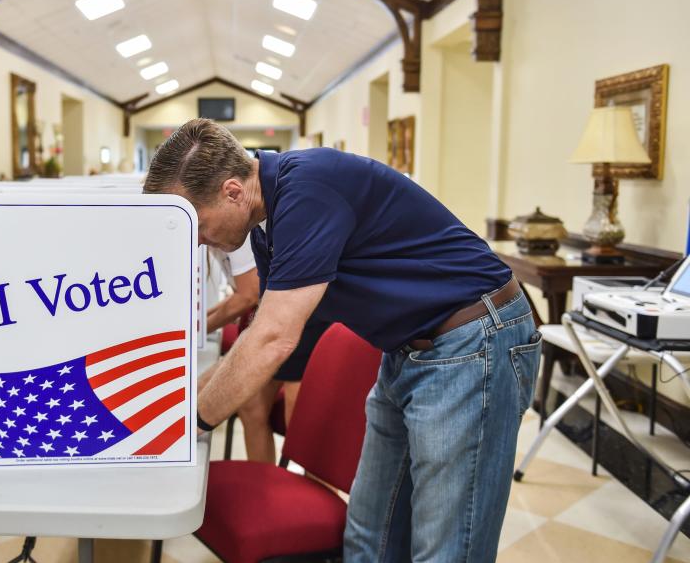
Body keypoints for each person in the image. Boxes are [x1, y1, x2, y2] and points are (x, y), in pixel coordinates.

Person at [144, 119, 541, 562]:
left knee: (446, 548)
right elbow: (259, 334)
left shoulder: (309, 187)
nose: (198, 241)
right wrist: (176, 407)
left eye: (196, 224)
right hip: (407, 350)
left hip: (472, 341)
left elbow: (274, 338)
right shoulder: (266, 224)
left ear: (233, 191)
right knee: (371, 533)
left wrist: (190, 426)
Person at [204, 229, 330, 463]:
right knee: (251, 406)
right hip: (273, 314)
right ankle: (264, 476)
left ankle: (305, 492)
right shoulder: (216, 233)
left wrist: (194, 330)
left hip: (302, 314)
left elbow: (247, 295)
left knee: (301, 429)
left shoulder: (233, 230)